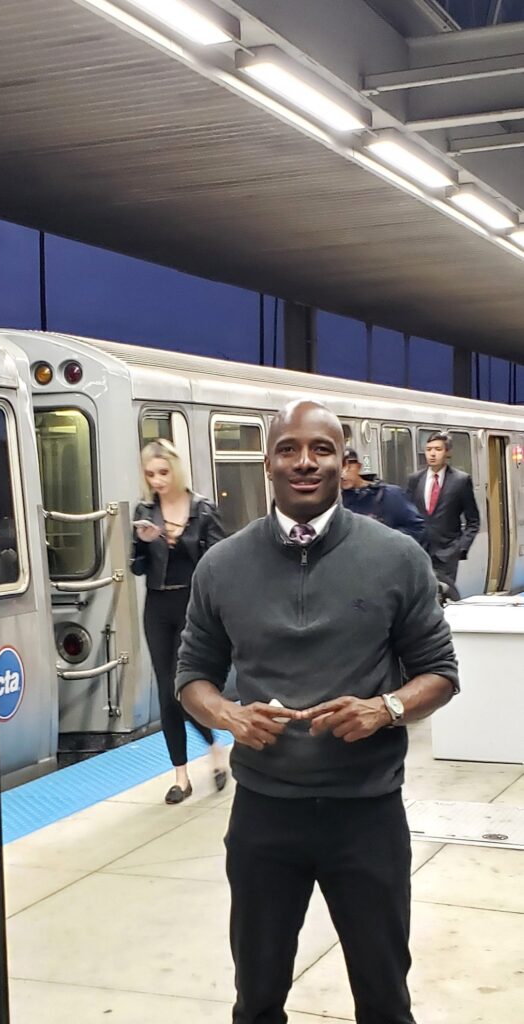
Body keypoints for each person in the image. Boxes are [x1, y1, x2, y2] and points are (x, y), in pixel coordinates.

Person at [176, 400, 458, 1024]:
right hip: (264, 817)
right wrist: (227, 714)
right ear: (268, 460)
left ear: (342, 460)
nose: (305, 462)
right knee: (257, 999)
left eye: (321, 449)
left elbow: (441, 673)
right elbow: (191, 675)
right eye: (290, 449)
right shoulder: (222, 565)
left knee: (385, 1000)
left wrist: (385, 708)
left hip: (367, 814)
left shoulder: (396, 557)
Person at [131, 438, 228, 804]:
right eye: (150, 474)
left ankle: (215, 748)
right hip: (156, 606)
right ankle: (181, 775)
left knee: (183, 687)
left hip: (191, 604)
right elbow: (137, 566)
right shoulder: (144, 510)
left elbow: (217, 561)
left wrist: (175, 542)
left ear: (176, 469)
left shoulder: (202, 509)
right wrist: (142, 544)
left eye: (163, 472)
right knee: (165, 691)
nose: (157, 481)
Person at [406, 431, 480, 600]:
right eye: (429, 449)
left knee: (443, 598)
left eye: (438, 449)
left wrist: (460, 548)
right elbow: (407, 514)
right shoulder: (415, 479)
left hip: (447, 554)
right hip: (419, 552)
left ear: (447, 452)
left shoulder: (461, 481)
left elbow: (473, 521)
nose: (432, 453)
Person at [342, 448, 424, 543]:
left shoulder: (389, 495)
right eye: (338, 469)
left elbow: (417, 527)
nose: (343, 474)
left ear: (359, 467)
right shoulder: (334, 502)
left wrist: (386, 539)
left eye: (348, 467)